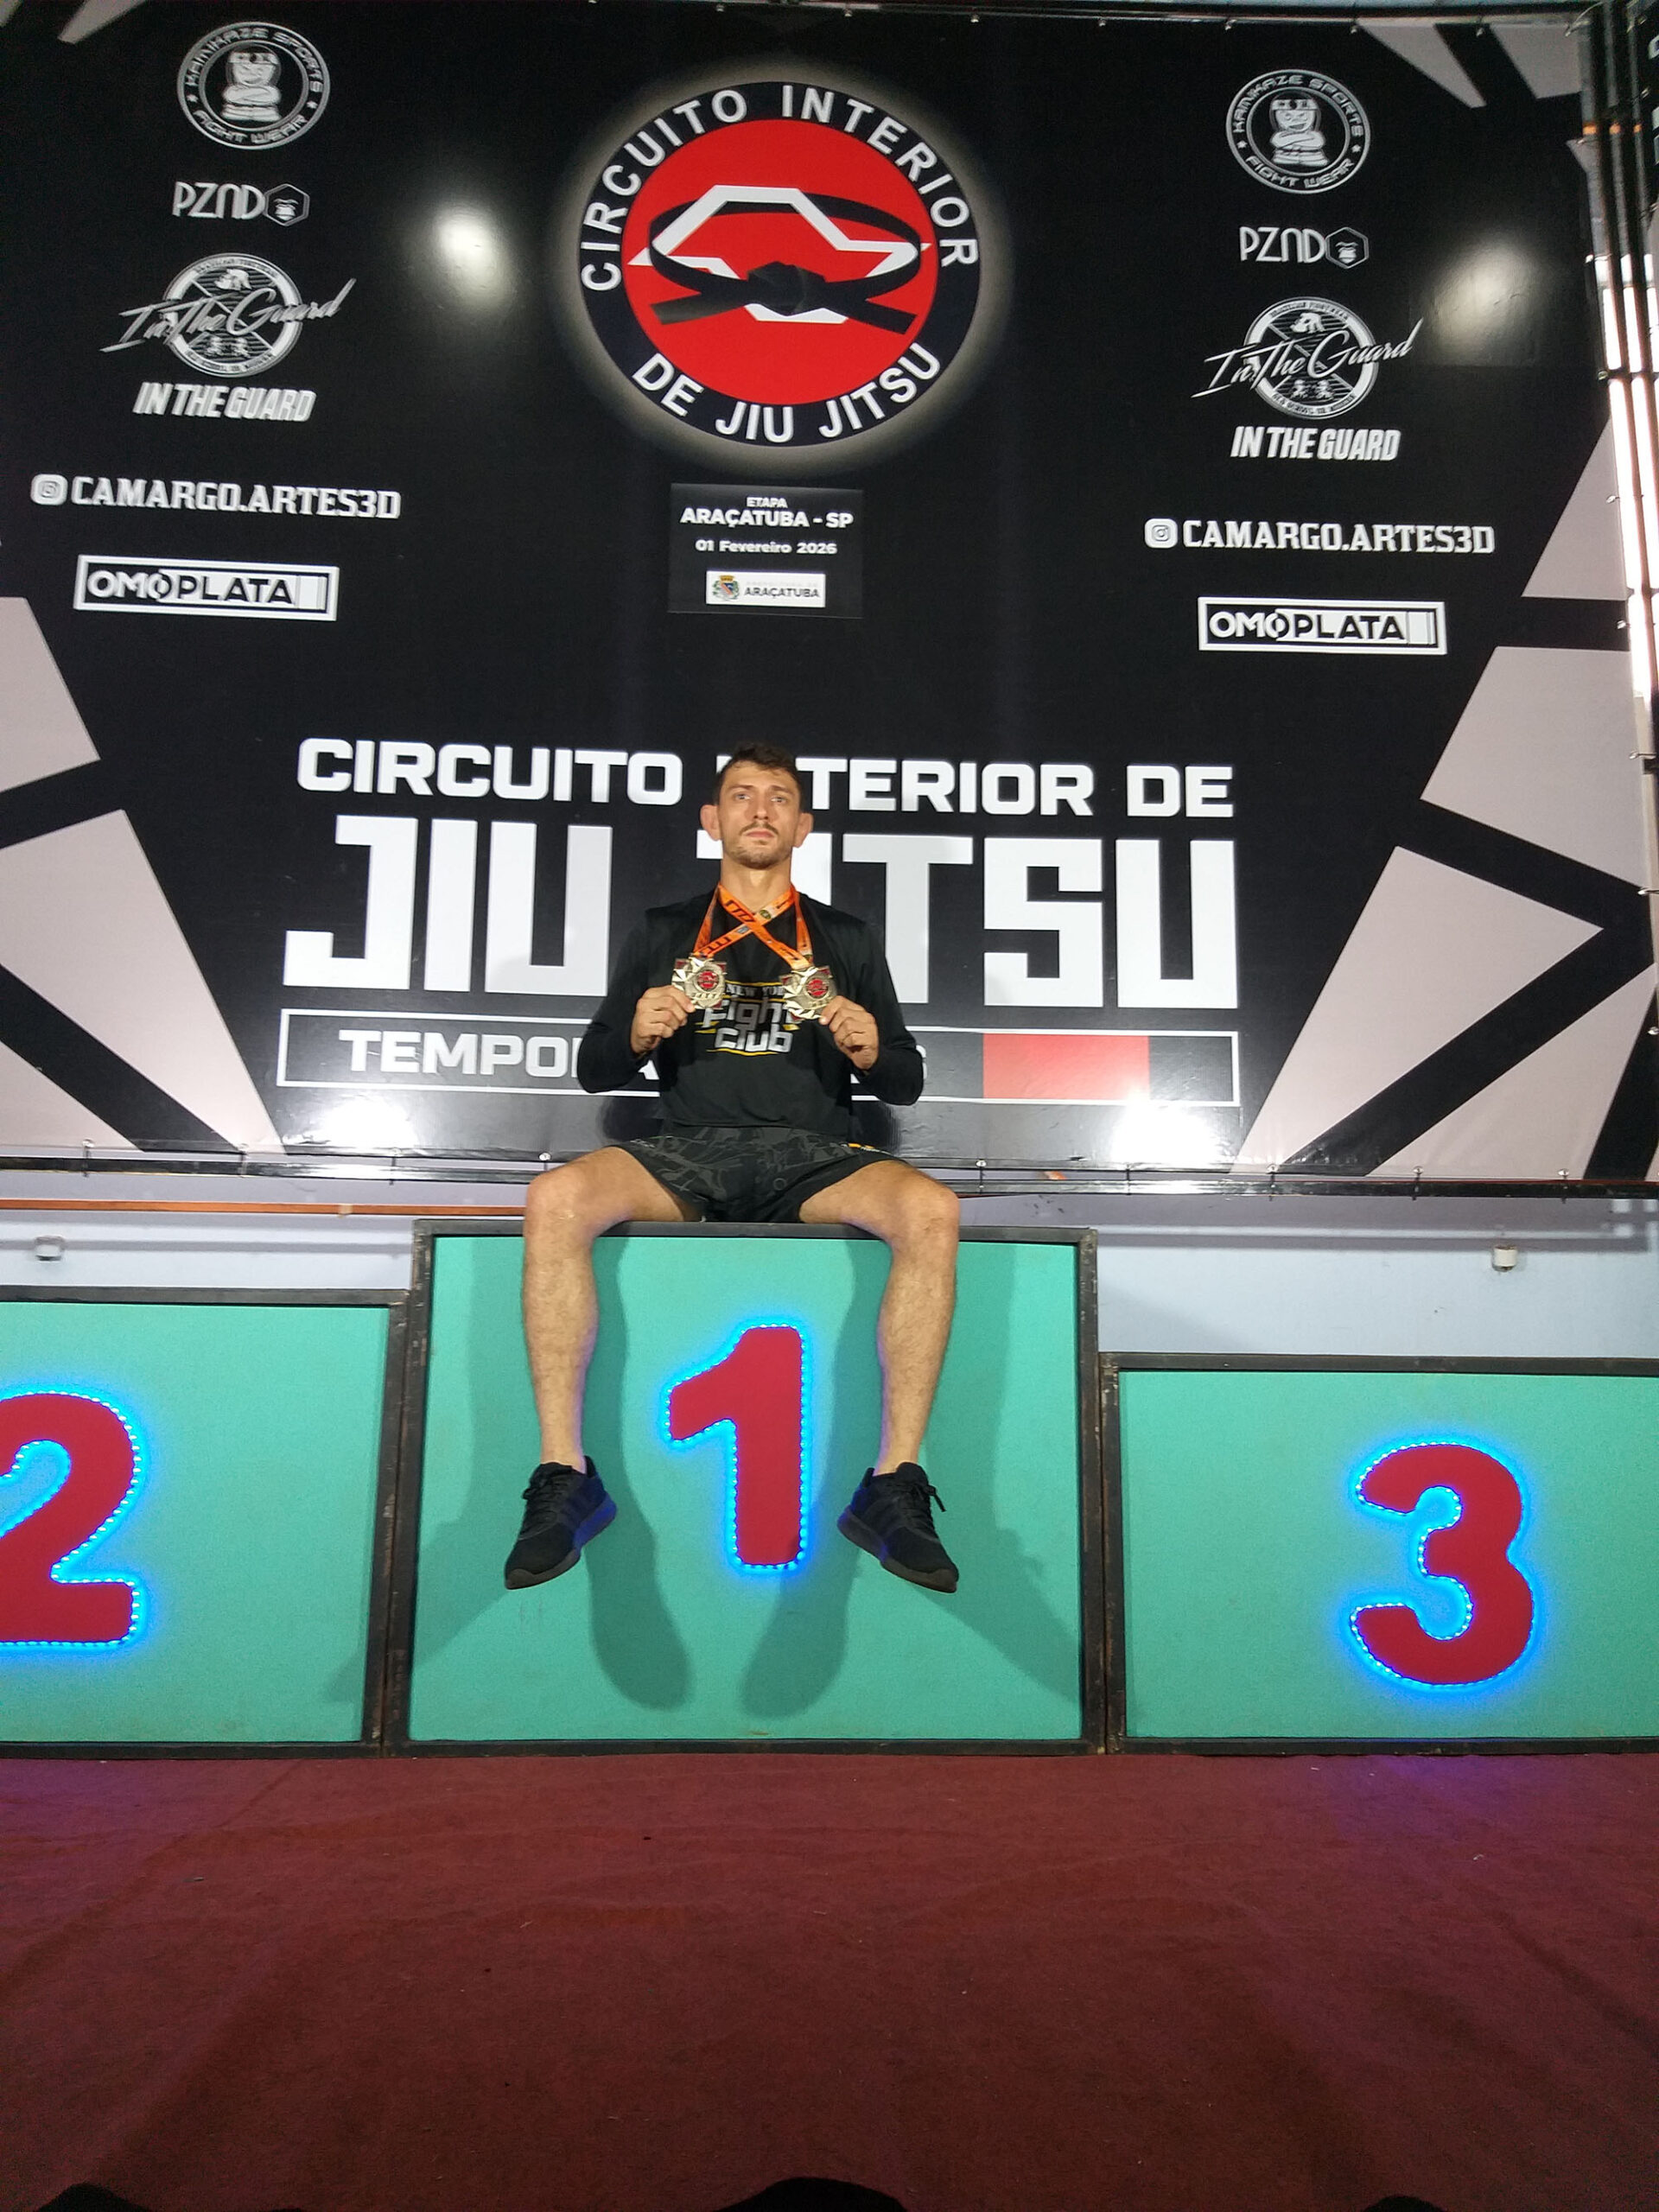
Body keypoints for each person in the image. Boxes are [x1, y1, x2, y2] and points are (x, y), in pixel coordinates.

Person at [507, 743, 962, 1598]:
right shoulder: (665, 930)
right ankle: (565, 1473)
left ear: (803, 825)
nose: (760, 810)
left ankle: (893, 1481)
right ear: (711, 820)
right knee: (555, 1197)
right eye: (742, 795)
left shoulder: (844, 937)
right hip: (688, 1147)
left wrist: (870, 1046)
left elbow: (904, 1079)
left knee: (932, 1209)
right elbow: (595, 1067)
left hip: (814, 1155)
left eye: (779, 797)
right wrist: (635, 1031)